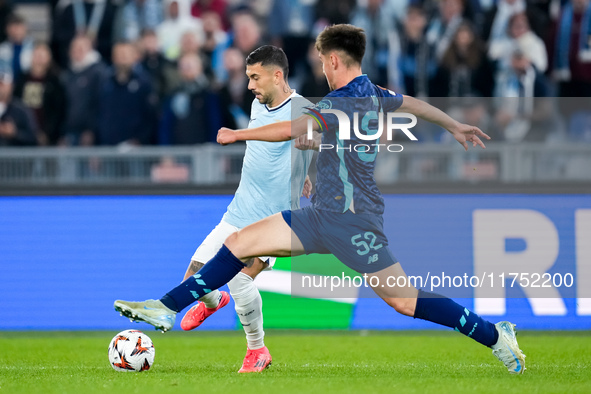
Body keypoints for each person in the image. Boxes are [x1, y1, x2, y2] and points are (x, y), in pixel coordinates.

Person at [114, 25, 526, 375]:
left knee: (405, 301)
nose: (321, 70)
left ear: (332, 62)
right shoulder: (374, 93)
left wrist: (238, 135)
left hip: (356, 223)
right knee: (237, 244)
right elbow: (411, 104)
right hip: (319, 216)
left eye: (321, 63)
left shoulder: (340, 102)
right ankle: (166, 307)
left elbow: (291, 130)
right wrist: (453, 124)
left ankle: (495, 334)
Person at [134, 45, 314, 372]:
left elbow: (291, 132)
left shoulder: (302, 108)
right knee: (193, 274)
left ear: (278, 75)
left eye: (255, 77)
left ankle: (256, 350)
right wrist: (307, 173)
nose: (250, 85)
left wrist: (239, 134)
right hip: (238, 212)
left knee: (241, 279)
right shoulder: (259, 102)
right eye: (248, 78)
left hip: (272, 219)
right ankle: (216, 302)